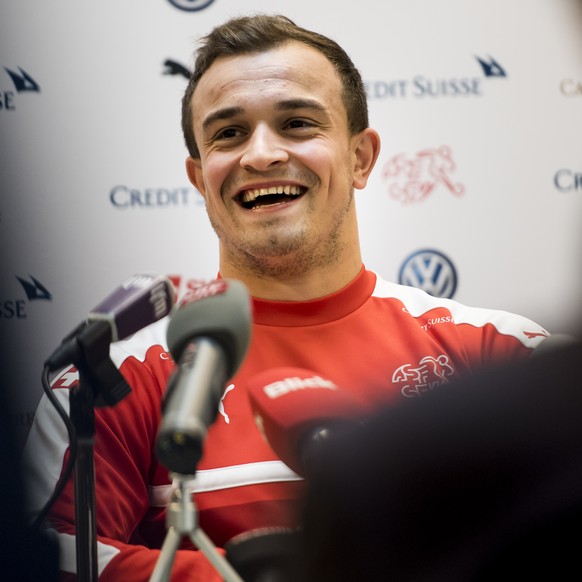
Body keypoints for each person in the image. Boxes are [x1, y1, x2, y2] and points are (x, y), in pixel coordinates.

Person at [23, 14, 549, 581]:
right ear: (200, 179)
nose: (262, 155)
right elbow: (44, 558)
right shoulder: (114, 374)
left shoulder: (502, 352)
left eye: (297, 123)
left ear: (361, 158)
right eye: (228, 133)